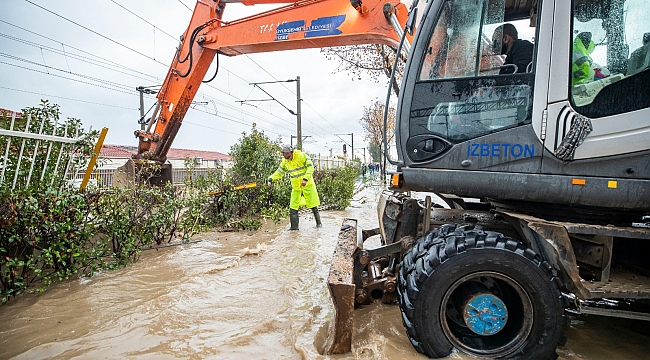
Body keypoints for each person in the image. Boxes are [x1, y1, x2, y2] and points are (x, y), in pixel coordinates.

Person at [267, 145, 322, 230]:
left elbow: (310, 167)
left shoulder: (301, 156)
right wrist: (271, 178)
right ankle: (294, 227)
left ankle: (319, 224)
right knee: (293, 207)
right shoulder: (285, 162)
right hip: (296, 187)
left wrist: (305, 179)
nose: (283, 155)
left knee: (313, 205)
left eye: (285, 153)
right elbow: (279, 172)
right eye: (283, 153)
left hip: (308, 185)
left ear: (291, 152)